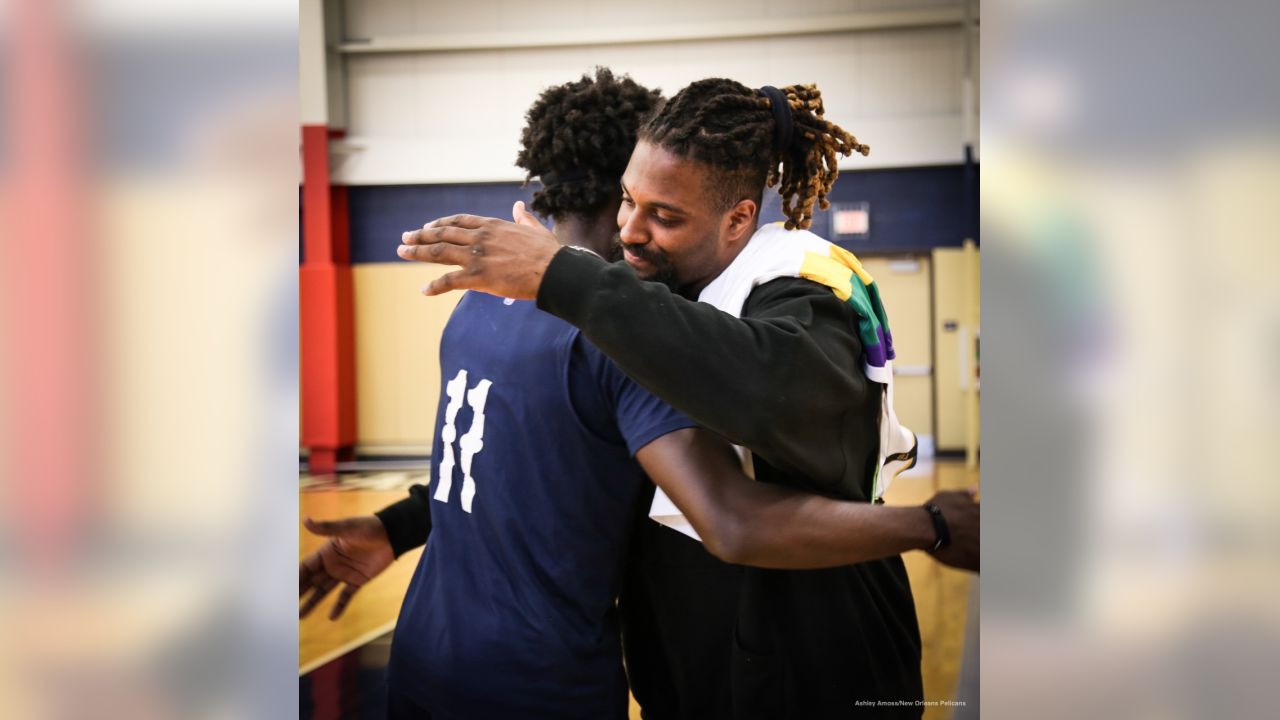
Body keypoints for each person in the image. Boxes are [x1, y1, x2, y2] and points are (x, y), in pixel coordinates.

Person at [305, 71, 978, 720]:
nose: (634, 232)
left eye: (663, 213)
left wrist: (398, 525)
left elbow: (738, 420)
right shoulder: (617, 321)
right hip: (597, 672)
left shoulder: (792, 284)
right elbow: (681, 504)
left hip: (804, 655)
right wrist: (932, 525)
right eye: (630, 201)